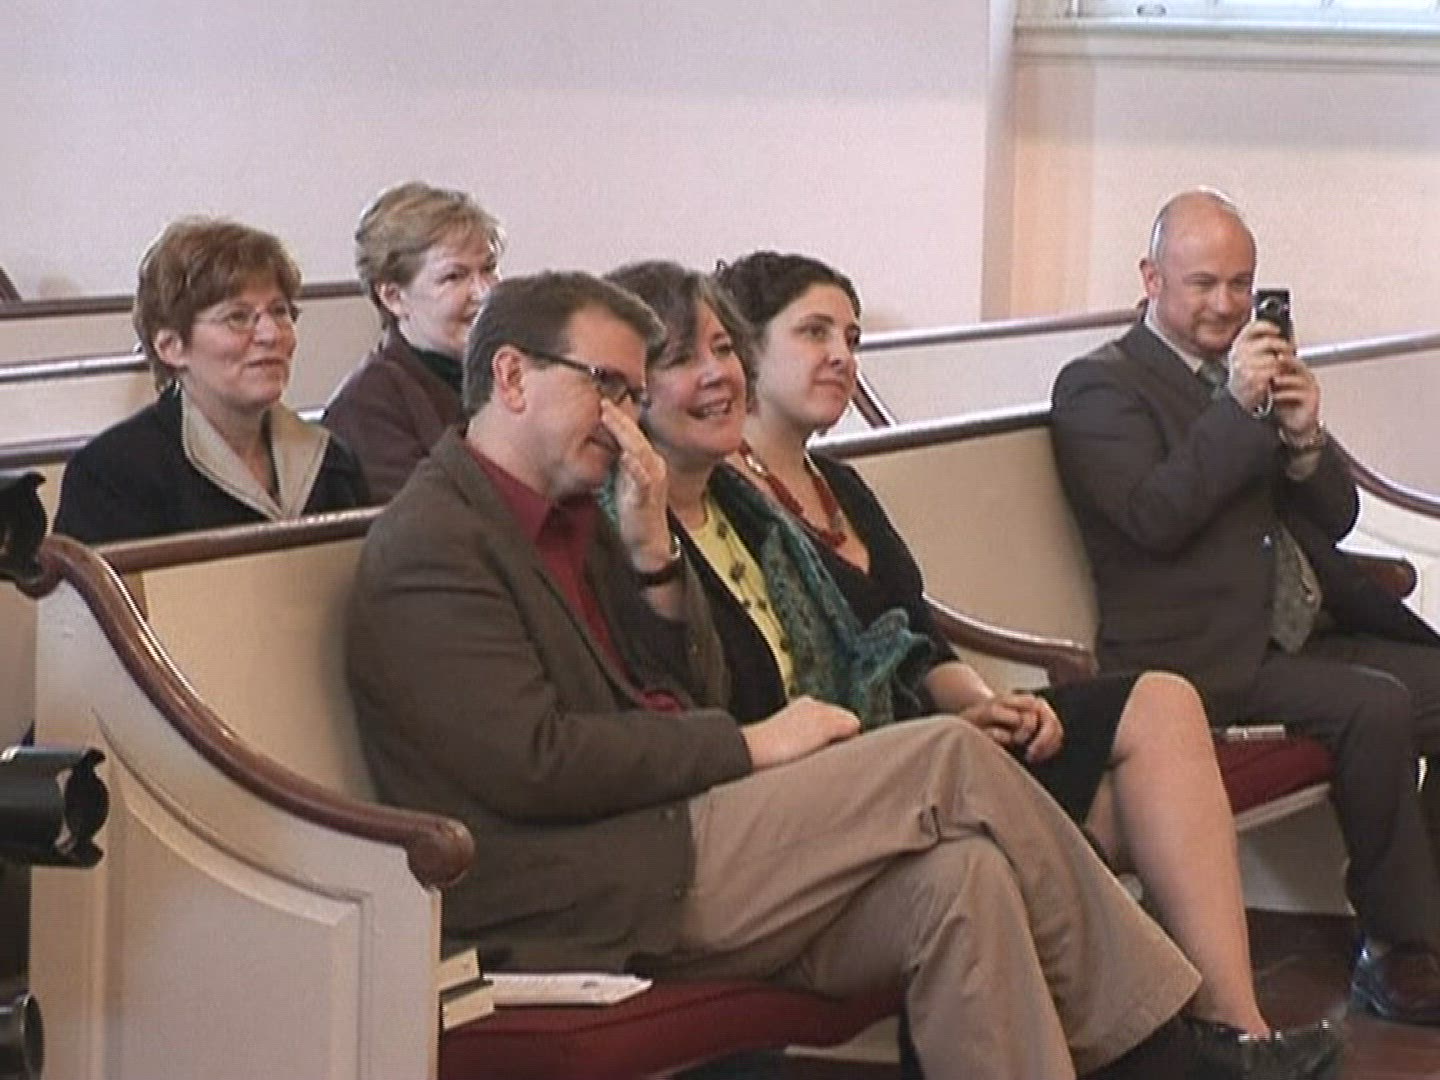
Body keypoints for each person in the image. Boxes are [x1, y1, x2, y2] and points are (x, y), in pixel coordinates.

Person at [346, 270, 1209, 1079]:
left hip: (668, 842)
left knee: (962, 882)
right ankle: (1159, 1045)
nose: (622, 421)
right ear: (511, 376)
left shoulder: (588, 517)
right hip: (574, 890)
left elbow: (690, 691)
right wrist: (751, 747)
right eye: (605, 386)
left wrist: (653, 562)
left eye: (631, 396)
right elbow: (535, 763)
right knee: (945, 758)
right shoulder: (437, 541)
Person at [613, 257, 1341, 1080]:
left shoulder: (780, 501)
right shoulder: (666, 518)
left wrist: (981, 700)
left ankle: (1229, 1025)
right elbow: (713, 701)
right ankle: (1170, 1049)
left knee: (1132, 729)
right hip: (817, 778)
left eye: (851, 338)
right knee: (1003, 803)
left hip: (891, 739)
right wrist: (935, 722)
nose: (840, 357)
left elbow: (910, 636)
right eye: (814, 333)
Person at [1050, 187, 1440, 1028]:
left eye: (1240, 283)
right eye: (1203, 284)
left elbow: (1334, 516)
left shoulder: (1252, 374)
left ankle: (1429, 917)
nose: (1226, 304)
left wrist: (1302, 437)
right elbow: (1153, 517)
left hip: (1291, 633)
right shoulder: (1098, 388)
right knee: (1375, 705)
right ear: (1151, 278)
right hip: (1197, 656)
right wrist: (1235, 409)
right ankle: (1401, 950)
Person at [54, 218, 368, 544]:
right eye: (238, 317)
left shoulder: (332, 463)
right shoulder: (113, 476)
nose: (271, 334)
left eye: (279, 311)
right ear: (171, 346)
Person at [323, 181, 504, 500]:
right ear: (393, 297)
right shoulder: (367, 406)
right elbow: (426, 520)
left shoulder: (510, 371)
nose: (484, 293)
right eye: (454, 276)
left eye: (489, 269)